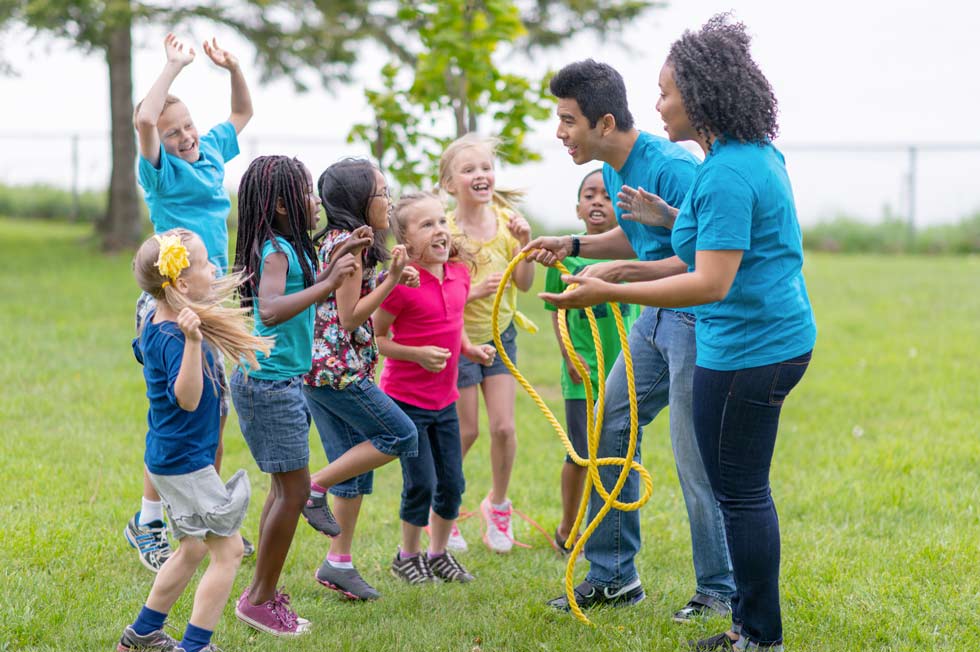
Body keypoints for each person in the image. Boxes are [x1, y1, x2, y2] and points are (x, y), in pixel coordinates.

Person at [539, 16, 816, 651]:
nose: (658, 103)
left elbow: (708, 279)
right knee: (633, 432)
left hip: (739, 341)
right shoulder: (740, 157)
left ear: (702, 94)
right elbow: (687, 243)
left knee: (727, 485)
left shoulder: (715, 171)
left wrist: (612, 287)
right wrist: (605, 249)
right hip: (742, 333)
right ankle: (627, 582)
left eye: (666, 92)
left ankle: (742, 619)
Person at [525, 59, 736, 621]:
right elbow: (635, 235)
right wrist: (573, 244)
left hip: (693, 316)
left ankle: (720, 589)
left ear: (606, 121)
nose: (560, 132)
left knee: (695, 458)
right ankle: (614, 574)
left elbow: (699, 259)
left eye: (568, 120)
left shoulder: (673, 168)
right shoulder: (617, 168)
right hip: (654, 319)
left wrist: (616, 280)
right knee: (610, 423)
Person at [126, 32, 254, 570]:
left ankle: (207, 517)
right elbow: (143, 122)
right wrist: (173, 67)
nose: (184, 137)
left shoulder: (211, 154)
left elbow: (243, 113)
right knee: (177, 419)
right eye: (173, 131)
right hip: (175, 304)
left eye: (188, 128)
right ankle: (148, 522)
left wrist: (233, 67)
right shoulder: (160, 172)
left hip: (212, 302)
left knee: (214, 414)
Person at [118, 228, 272, 652]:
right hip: (184, 463)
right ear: (181, 284)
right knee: (230, 551)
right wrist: (192, 343)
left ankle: (143, 632)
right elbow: (186, 399)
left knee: (190, 549)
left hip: (171, 458)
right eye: (205, 263)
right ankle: (196, 645)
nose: (214, 269)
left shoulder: (156, 316)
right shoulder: (175, 336)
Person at [229, 155, 363, 636]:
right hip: (269, 386)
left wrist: (341, 252)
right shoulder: (274, 250)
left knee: (285, 489)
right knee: (295, 491)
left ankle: (260, 593)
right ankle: (260, 599)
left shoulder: (288, 245)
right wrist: (329, 282)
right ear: (284, 204)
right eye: (307, 192)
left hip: (279, 381)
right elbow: (269, 309)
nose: (316, 200)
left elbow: (300, 290)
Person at [300, 159, 420, 601]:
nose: (388, 202)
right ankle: (310, 488)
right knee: (401, 435)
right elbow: (349, 317)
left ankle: (339, 563)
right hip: (338, 372)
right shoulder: (347, 249)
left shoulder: (346, 242)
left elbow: (343, 302)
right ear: (357, 200)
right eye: (382, 193)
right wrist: (389, 282)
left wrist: (387, 275)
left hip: (320, 372)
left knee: (353, 471)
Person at [376, 192, 496, 584]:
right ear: (406, 242)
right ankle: (407, 556)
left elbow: (454, 320)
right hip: (405, 402)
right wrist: (416, 355)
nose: (440, 231)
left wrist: (470, 350)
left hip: (445, 400)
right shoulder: (401, 283)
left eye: (442, 221)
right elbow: (375, 338)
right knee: (422, 483)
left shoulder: (459, 273)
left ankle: (438, 553)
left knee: (452, 482)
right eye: (427, 225)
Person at [438, 133, 535, 554]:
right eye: (469, 169)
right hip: (458, 337)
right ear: (449, 184)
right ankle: (445, 510)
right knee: (467, 430)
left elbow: (525, 284)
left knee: (504, 428)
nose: (481, 175)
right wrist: (475, 291)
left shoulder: (508, 222)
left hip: (501, 335)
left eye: (485, 168)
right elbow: (438, 288)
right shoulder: (445, 229)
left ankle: (498, 506)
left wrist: (527, 245)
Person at [543, 169, 641, 554]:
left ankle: (603, 527)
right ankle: (568, 526)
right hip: (583, 371)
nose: (597, 201)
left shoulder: (634, 250)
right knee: (581, 453)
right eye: (589, 195)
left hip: (626, 367)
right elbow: (557, 311)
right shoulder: (563, 259)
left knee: (616, 453)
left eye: (605, 194)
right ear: (578, 207)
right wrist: (569, 356)